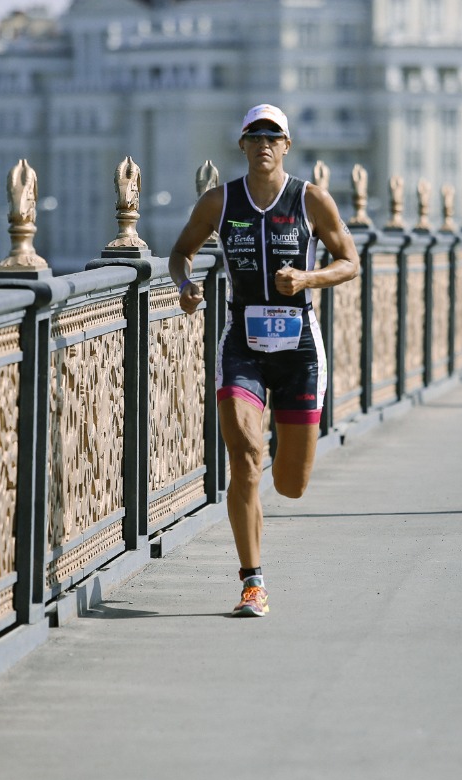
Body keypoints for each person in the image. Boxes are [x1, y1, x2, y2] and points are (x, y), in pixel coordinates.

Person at [169, 104, 359, 617]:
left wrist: (306, 279)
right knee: (246, 460)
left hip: (299, 347)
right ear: (242, 146)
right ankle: (252, 581)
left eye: (273, 137)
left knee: (291, 483)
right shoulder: (220, 201)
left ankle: (276, 442)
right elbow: (180, 252)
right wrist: (186, 285)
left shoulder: (310, 200)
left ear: (287, 146)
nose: (264, 145)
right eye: (254, 137)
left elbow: (350, 262)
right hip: (243, 344)